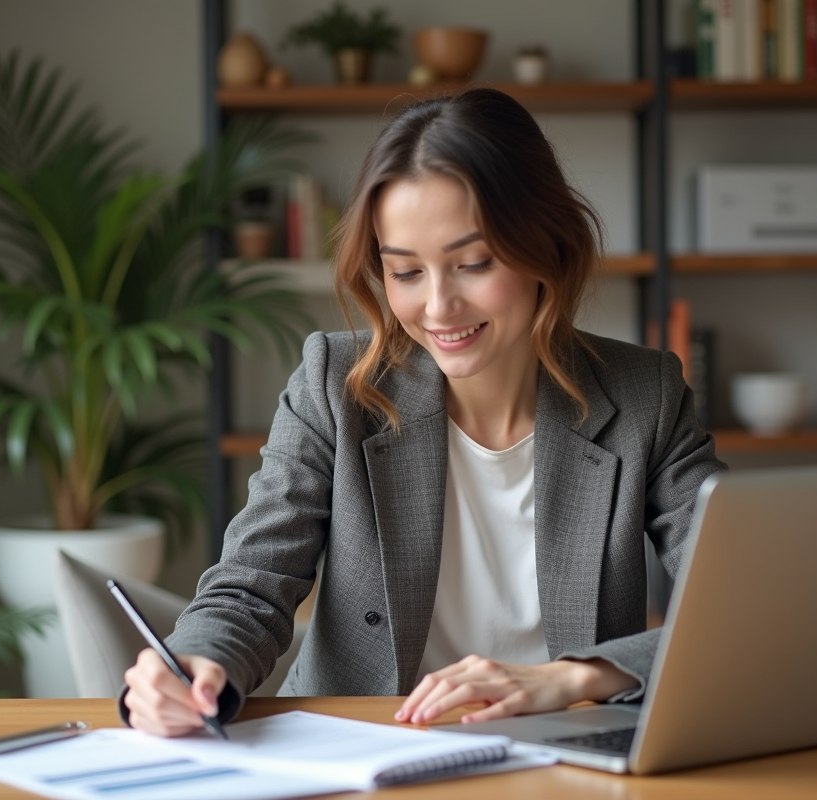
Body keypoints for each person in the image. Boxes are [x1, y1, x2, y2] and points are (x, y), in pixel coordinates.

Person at [122, 88, 725, 737]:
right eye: (406, 273)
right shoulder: (338, 383)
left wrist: (576, 677)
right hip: (361, 750)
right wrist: (195, 662)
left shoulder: (645, 396)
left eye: (473, 263)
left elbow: (740, 610)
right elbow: (252, 583)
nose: (438, 307)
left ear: (546, 246)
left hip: (564, 757)